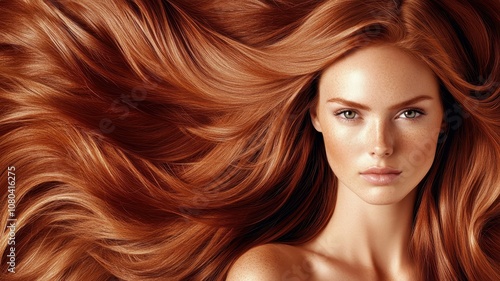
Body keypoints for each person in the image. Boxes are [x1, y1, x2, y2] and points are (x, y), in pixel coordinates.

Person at [0, 0, 498, 280]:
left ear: (444, 120)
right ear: (316, 117)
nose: (381, 145)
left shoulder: (478, 265)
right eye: (350, 114)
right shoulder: (274, 273)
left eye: (410, 113)